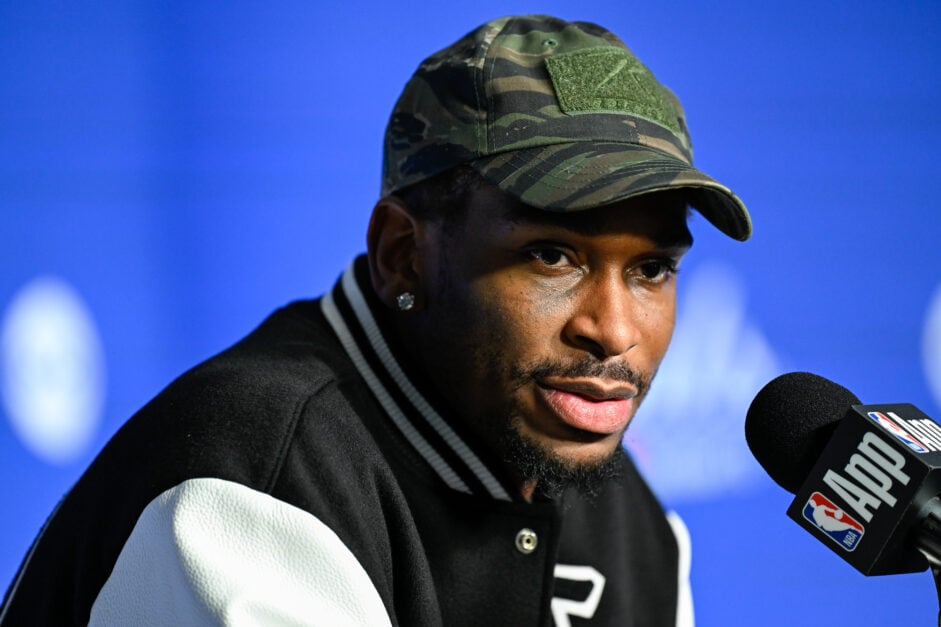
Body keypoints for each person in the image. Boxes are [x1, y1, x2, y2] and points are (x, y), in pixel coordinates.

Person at [0, 14, 750, 626]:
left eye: (651, 269)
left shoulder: (629, 522)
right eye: (551, 256)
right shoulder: (254, 490)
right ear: (402, 255)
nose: (614, 330)